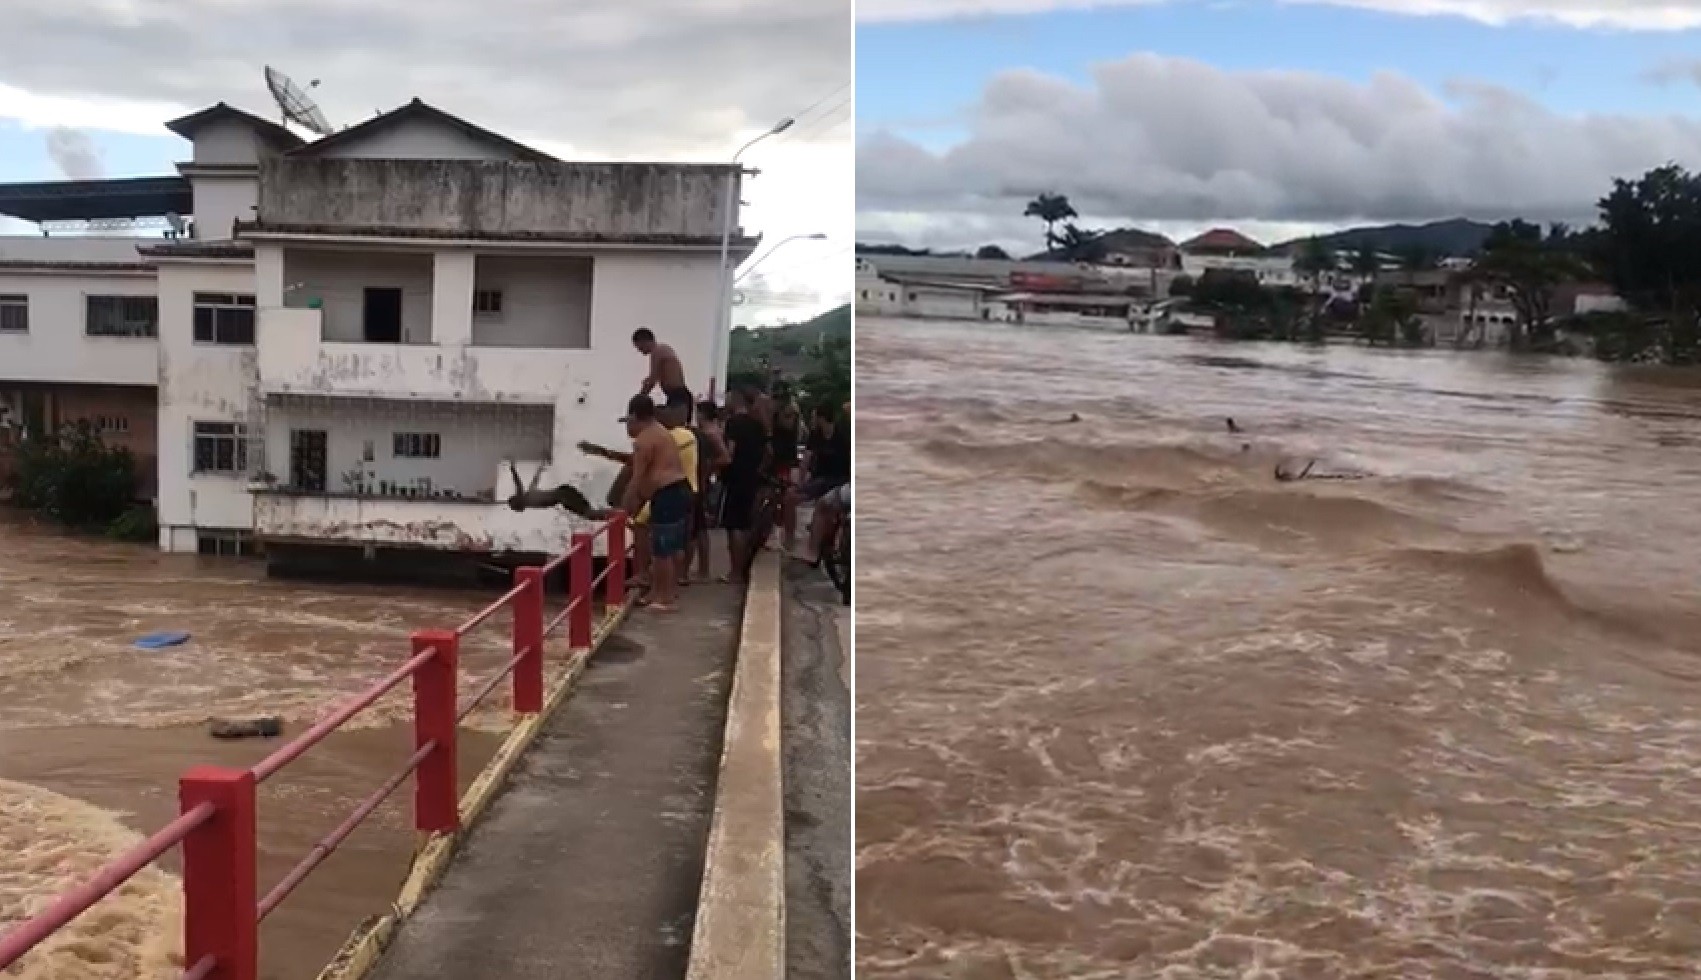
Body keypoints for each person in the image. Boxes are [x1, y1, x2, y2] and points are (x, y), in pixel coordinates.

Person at [619, 394, 690, 611]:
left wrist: (626, 504)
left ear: (634, 416)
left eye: (627, 421)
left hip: (667, 493)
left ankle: (664, 598)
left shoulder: (643, 441)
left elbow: (637, 478)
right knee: (669, 546)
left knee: (661, 549)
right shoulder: (661, 432)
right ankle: (661, 592)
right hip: (679, 490)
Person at [718, 387, 769, 583]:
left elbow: (729, 452)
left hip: (736, 479)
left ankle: (735, 572)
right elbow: (767, 452)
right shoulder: (757, 425)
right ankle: (743, 568)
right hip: (752, 478)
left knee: (734, 526)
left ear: (736, 400)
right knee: (746, 524)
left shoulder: (734, 424)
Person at [792, 403, 852, 563]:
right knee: (792, 496)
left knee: (821, 506)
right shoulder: (816, 435)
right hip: (822, 479)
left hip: (840, 479)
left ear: (821, 418)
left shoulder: (843, 434)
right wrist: (800, 481)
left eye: (814, 416)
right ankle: (790, 540)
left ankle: (812, 552)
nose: (811, 420)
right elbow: (806, 459)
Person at [658, 399, 702, 586]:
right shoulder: (690, 436)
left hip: (674, 490)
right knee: (685, 536)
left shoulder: (675, 436)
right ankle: (681, 576)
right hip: (690, 487)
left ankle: (670, 585)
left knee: (666, 543)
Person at [688, 400, 730, 583]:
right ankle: (702, 568)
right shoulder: (712, 431)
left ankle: (701, 569)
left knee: (696, 528)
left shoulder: (710, 433)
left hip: (701, 481)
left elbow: (725, 458)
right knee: (700, 528)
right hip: (704, 481)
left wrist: (706, 466)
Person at [633, 327, 693, 424]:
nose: (639, 350)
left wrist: (638, 401)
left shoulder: (657, 352)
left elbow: (652, 381)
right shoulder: (664, 349)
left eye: (639, 347)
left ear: (644, 341)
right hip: (677, 396)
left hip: (678, 397)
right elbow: (654, 377)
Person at [771, 398, 803, 551]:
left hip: (786, 462)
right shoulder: (778, 424)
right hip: (779, 462)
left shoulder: (792, 427)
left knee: (787, 499)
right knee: (778, 498)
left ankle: (786, 535)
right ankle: (778, 533)